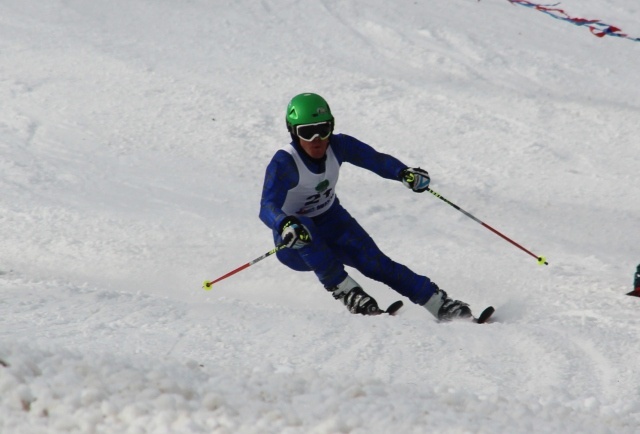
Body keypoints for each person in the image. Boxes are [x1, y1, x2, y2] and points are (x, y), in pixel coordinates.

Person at [259, 92, 472, 320]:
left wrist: (403, 173)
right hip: (296, 244)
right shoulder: (285, 162)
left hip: (332, 222)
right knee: (304, 226)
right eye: (307, 132)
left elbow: (375, 159)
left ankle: (438, 303)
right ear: (293, 132)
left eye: (323, 129)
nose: (317, 139)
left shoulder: (338, 145)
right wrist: (284, 223)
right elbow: (266, 206)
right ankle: (348, 292)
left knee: (376, 264)